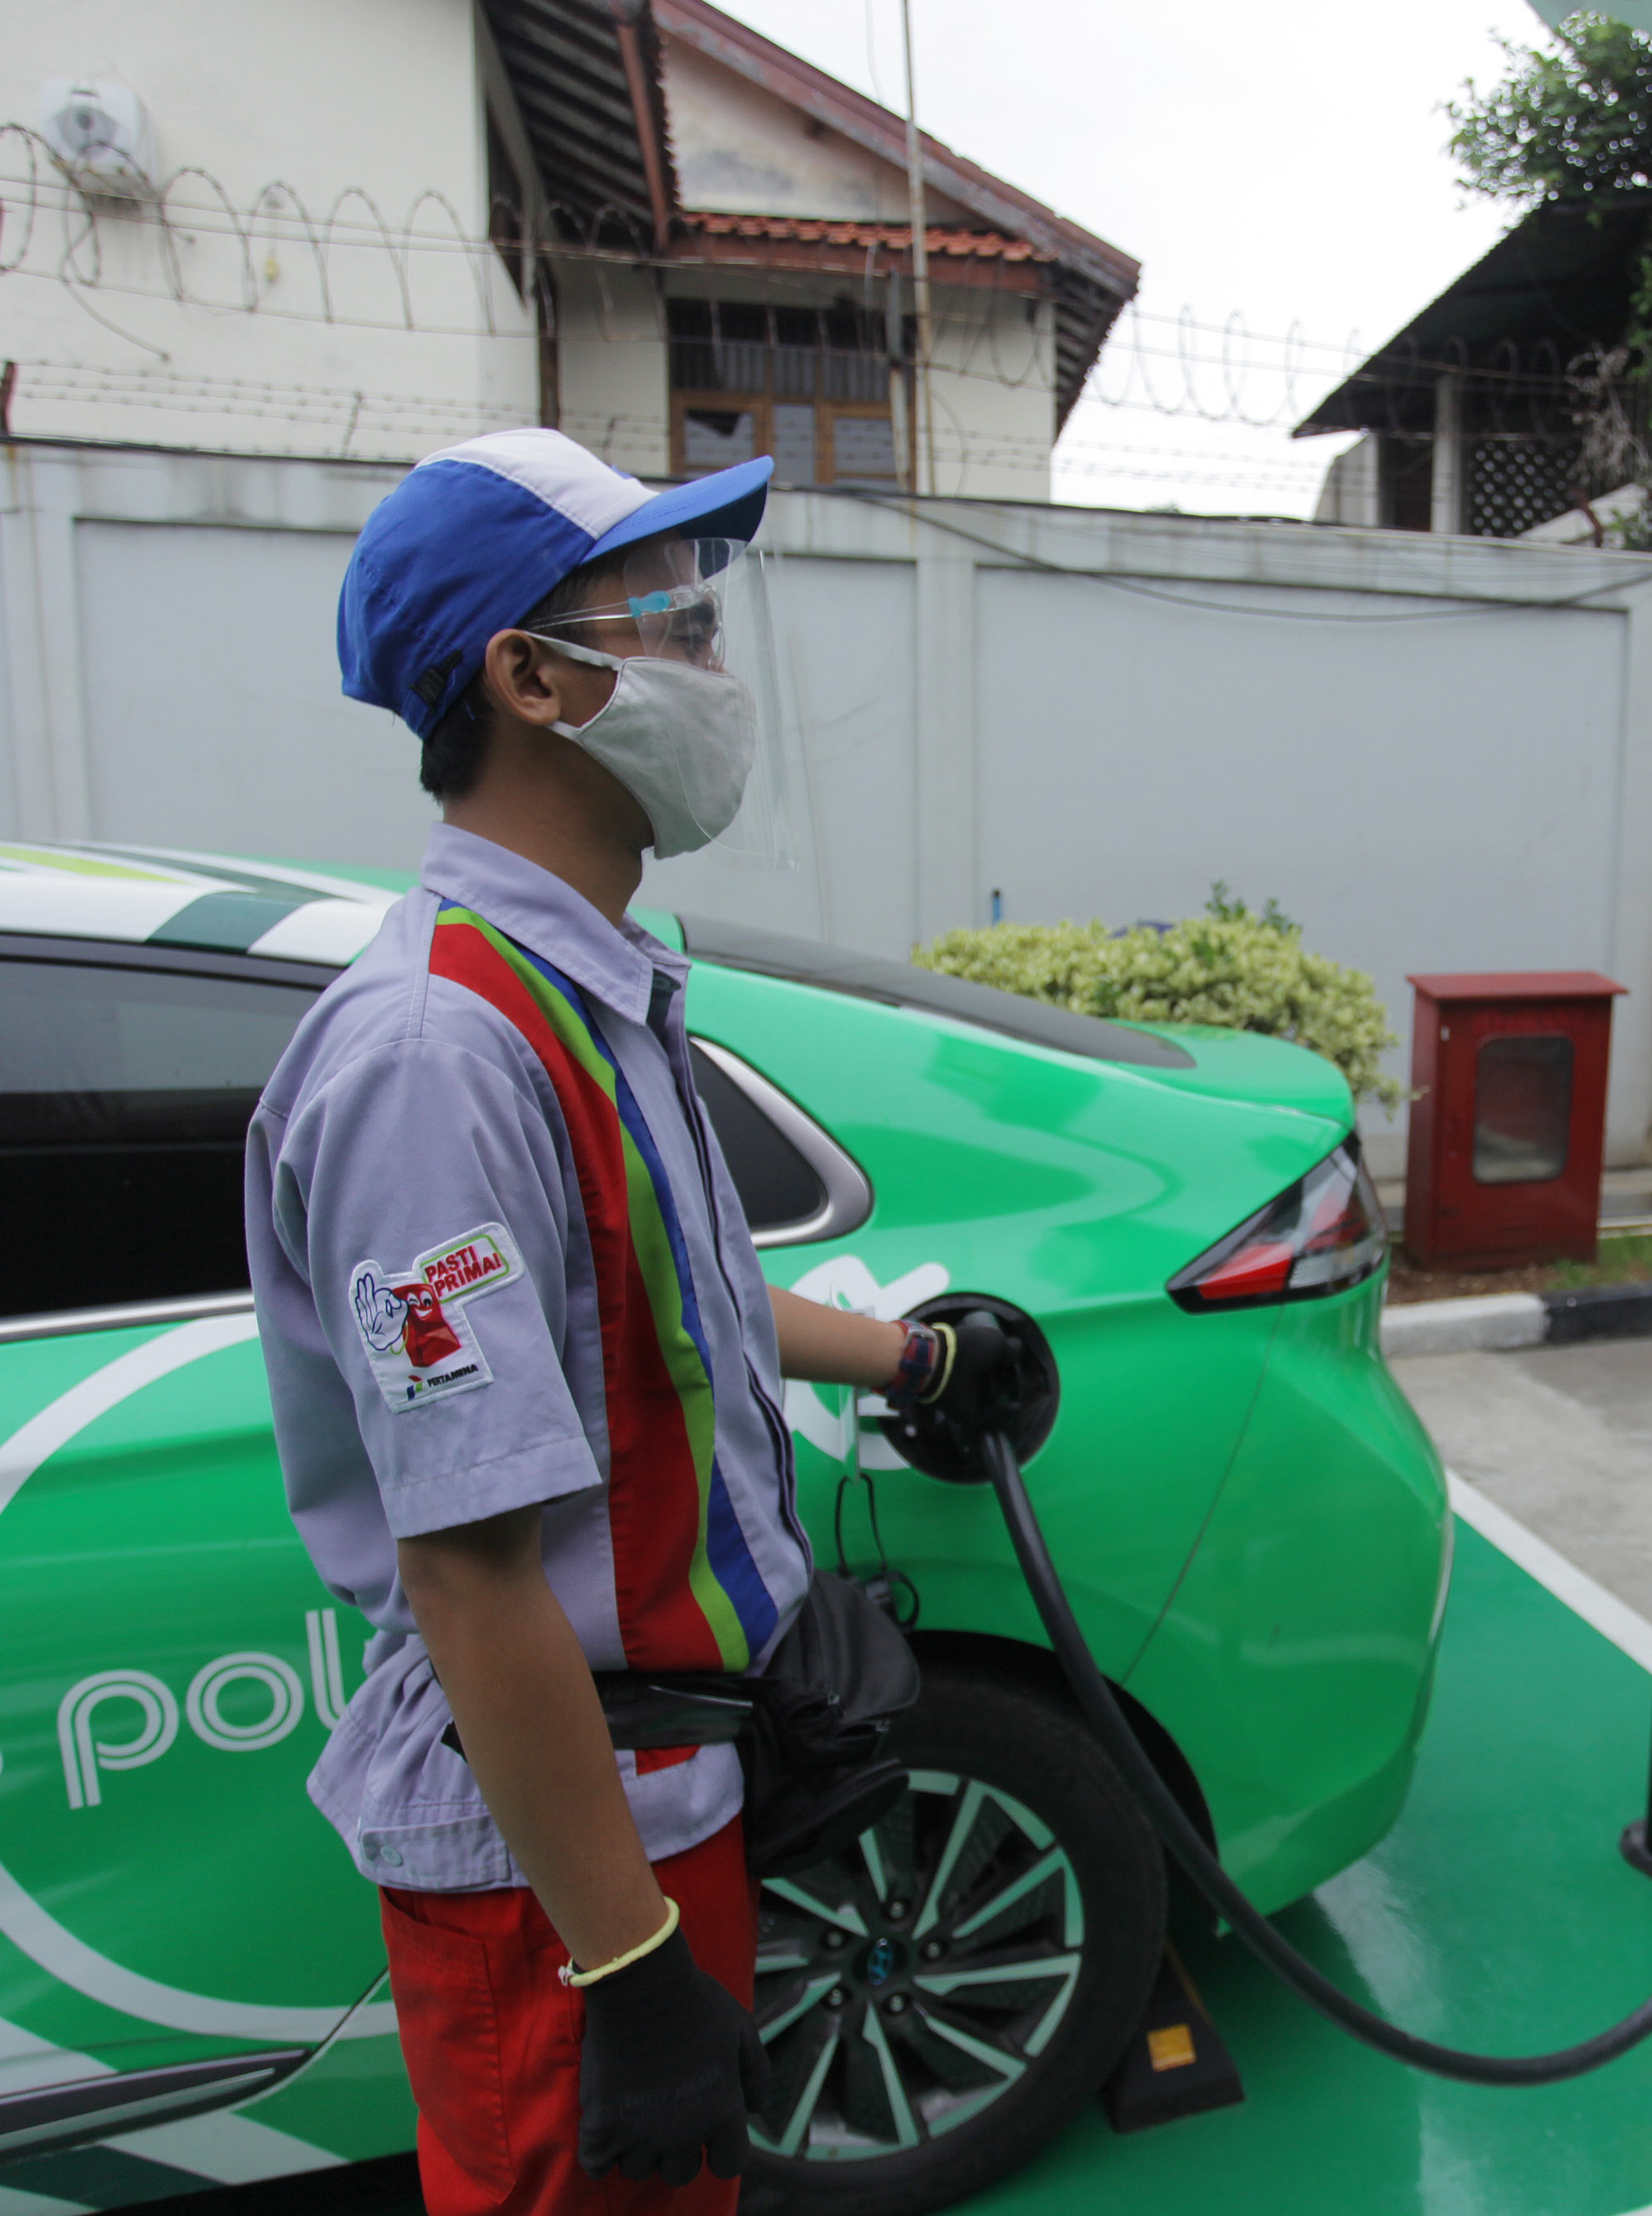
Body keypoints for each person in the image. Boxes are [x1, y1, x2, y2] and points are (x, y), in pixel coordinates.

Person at [245, 428, 995, 2213]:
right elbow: (473, 1570)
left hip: (653, 1810)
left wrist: (912, 1358)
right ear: (533, 679)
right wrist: (625, 1966)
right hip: (564, 1868)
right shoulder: (440, 1054)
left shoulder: (584, 993)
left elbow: (677, 1297)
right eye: (677, 626)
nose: (713, 671)